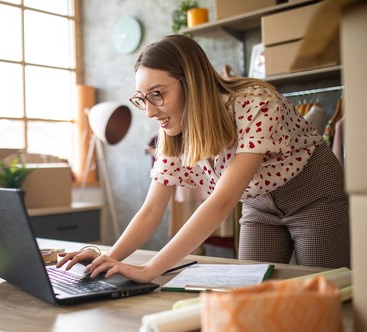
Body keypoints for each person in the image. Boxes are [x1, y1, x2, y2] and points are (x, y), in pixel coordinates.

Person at [57, 34, 350, 283]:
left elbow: (221, 203)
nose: (149, 111)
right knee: (249, 291)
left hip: (312, 194)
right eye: (143, 98)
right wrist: (107, 259)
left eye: (157, 94)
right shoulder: (172, 134)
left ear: (192, 83)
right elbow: (151, 210)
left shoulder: (256, 102)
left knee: (326, 289)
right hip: (259, 205)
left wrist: (150, 269)